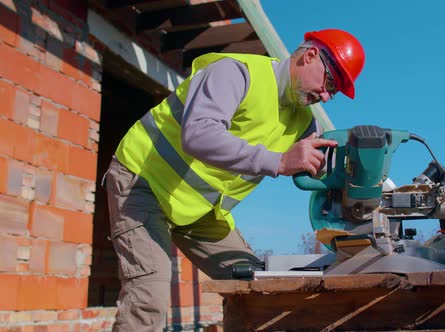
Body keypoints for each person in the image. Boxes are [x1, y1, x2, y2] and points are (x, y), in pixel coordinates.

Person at [104, 28, 365, 330]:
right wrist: (279, 161)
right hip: (143, 182)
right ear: (310, 56)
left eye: (334, 93)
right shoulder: (236, 74)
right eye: (330, 83)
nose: (326, 96)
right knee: (148, 294)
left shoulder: (303, 123)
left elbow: (322, 169)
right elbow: (199, 135)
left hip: (199, 211)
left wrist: (355, 180)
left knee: (254, 285)